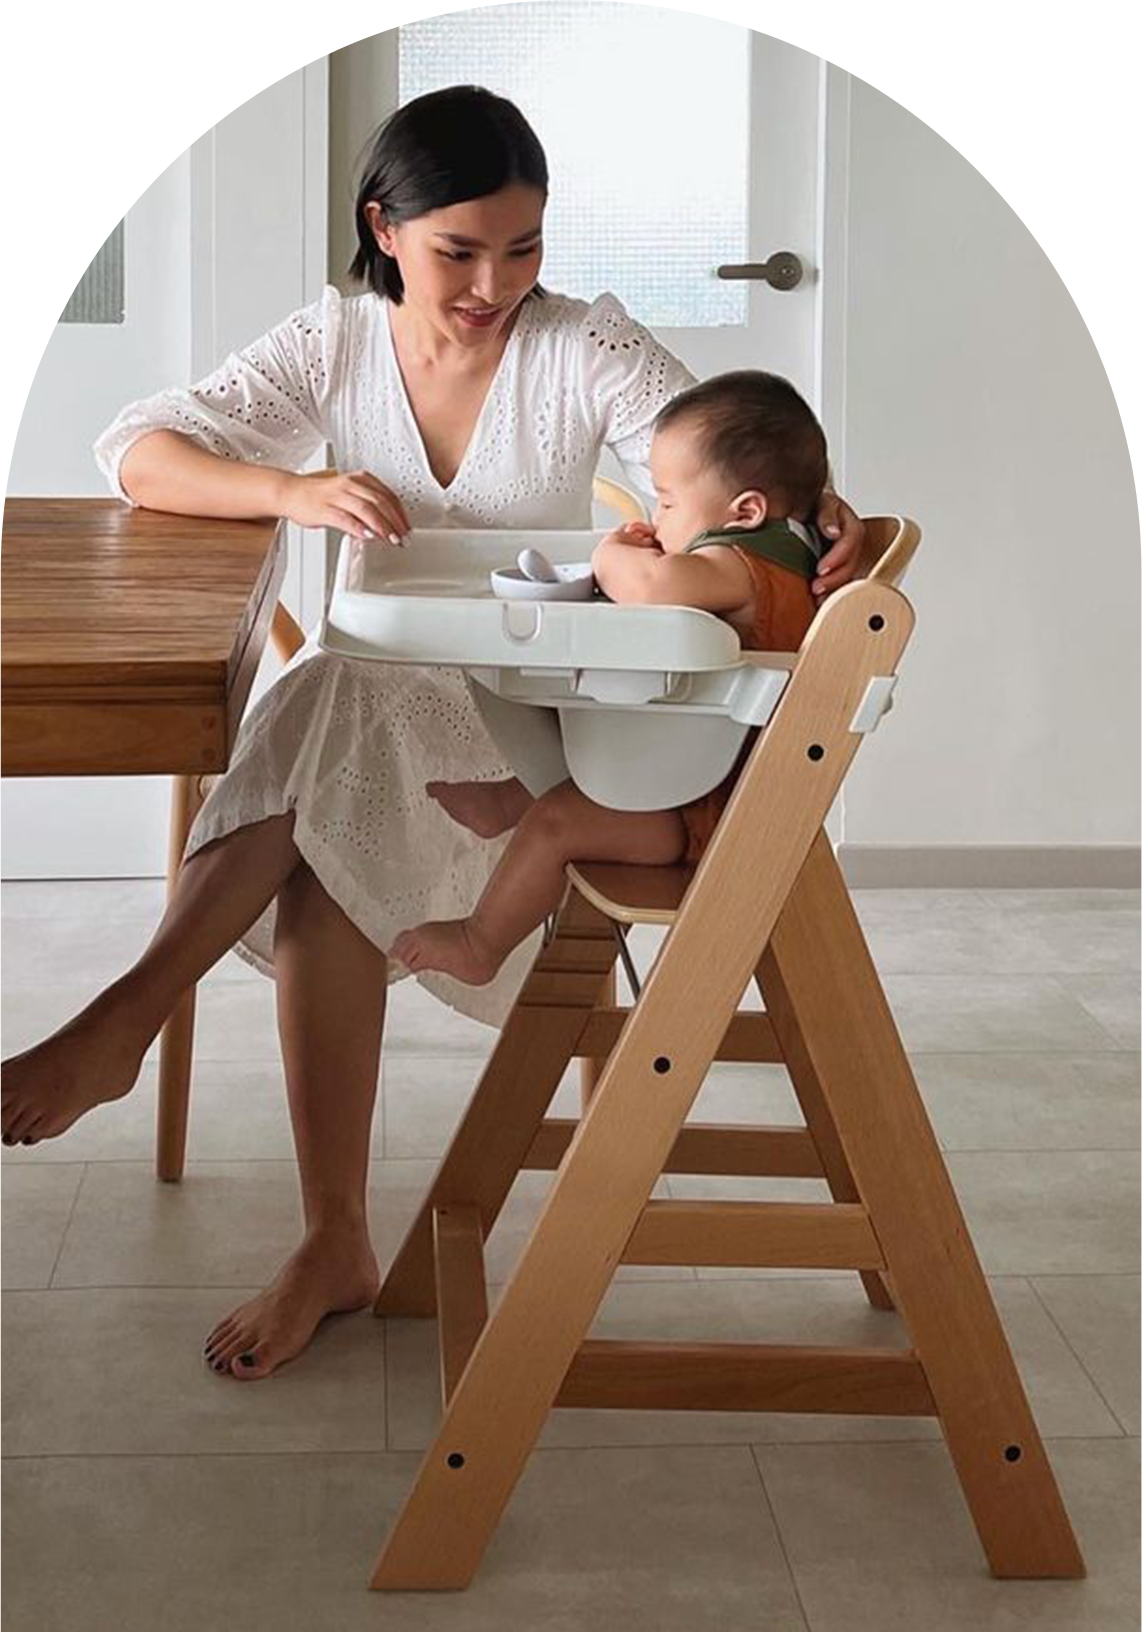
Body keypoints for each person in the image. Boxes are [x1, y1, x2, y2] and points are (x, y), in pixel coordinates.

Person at [0, 86, 864, 1380]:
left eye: (522, 248)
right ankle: (332, 1239)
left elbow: (720, 457)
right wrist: (290, 486)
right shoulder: (332, 347)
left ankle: (138, 1016)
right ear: (385, 230)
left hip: (531, 742)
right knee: (336, 769)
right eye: (459, 250)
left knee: (324, 716)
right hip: (383, 724)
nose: (493, 284)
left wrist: (813, 511)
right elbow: (137, 452)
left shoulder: (583, 346)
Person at [392, 369, 827, 985]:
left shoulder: (740, 564)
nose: (658, 515)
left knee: (558, 823)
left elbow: (650, 589)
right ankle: (510, 797)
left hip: (702, 811)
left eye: (668, 502)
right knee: (574, 742)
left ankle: (480, 941)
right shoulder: (780, 549)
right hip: (691, 776)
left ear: (746, 510)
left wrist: (609, 555)